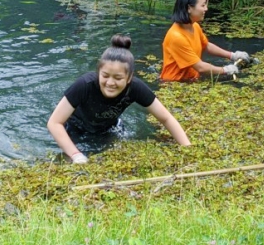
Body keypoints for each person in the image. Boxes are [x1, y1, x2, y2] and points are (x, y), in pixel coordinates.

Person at [47, 34, 191, 164]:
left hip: (109, 128)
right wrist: (76, 155)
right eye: (105, 76)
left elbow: (166, 118)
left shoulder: (136, 88)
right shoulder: (84, 85)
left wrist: (188, 149)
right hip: (76, 129)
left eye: (118, 78)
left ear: (129, 78)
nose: (110, 83)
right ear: (98, 72)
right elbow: (54, 123)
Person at [161, 0, 250, 82]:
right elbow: (200, 67)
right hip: (173, 85)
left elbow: (206, 45)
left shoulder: (194, 26)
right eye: (203, 5)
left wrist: (233, 55)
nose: (206, 9)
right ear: (189, 8)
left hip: (192, 81)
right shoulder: (176, 37)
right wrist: (225, 70)